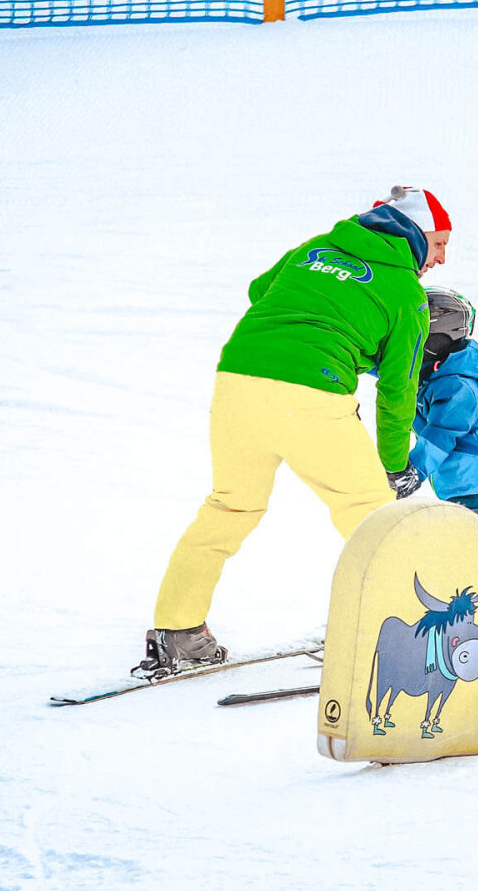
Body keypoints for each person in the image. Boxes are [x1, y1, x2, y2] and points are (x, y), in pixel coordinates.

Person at [134, 185, 453, 678]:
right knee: (371, 513)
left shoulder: (314, 249)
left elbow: (260, 290)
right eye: (439, 244)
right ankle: (419, 633)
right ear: (416, 234)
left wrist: (322, 312)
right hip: (311, 394)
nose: (441, 258)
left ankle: (178, 632)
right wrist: (392, 465)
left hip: (237, 377)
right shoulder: (405, 294)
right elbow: (397, 391)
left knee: (229, 506)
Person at [387, 287, 478, 525]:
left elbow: (440, 435)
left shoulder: (457, 387)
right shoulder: (432, 369)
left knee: (463, 538)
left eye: (414, 334)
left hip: (474, 483)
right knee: (454, 537)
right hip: (456, 478)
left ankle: (474, 561)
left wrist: (414, 472)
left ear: (435, 339)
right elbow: (391, 366)